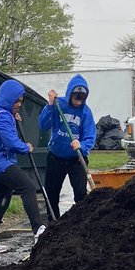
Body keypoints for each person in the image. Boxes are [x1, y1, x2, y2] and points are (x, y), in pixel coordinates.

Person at [0, 79, 46, 253]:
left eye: (21, 101)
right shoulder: (1, 115)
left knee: (2, 201)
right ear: (7, 99)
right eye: (16, 101)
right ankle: (38, 230)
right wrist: (26, 147)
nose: (19, 104)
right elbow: (11, 143)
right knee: (28, 187)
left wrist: (13, 118)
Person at [39, 75, 96, 219]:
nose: (78, 102)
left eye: (82, 99)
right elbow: (43, 125)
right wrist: (50, 104)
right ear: (70, 93)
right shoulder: (59, 105)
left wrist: (81, 145)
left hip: (76, 158)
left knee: (80, 194)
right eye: (76, 98)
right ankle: (53, 224)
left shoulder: (86, 112)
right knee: (52, 194)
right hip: (55, 157)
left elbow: (90, 137)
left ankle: (81, 222)